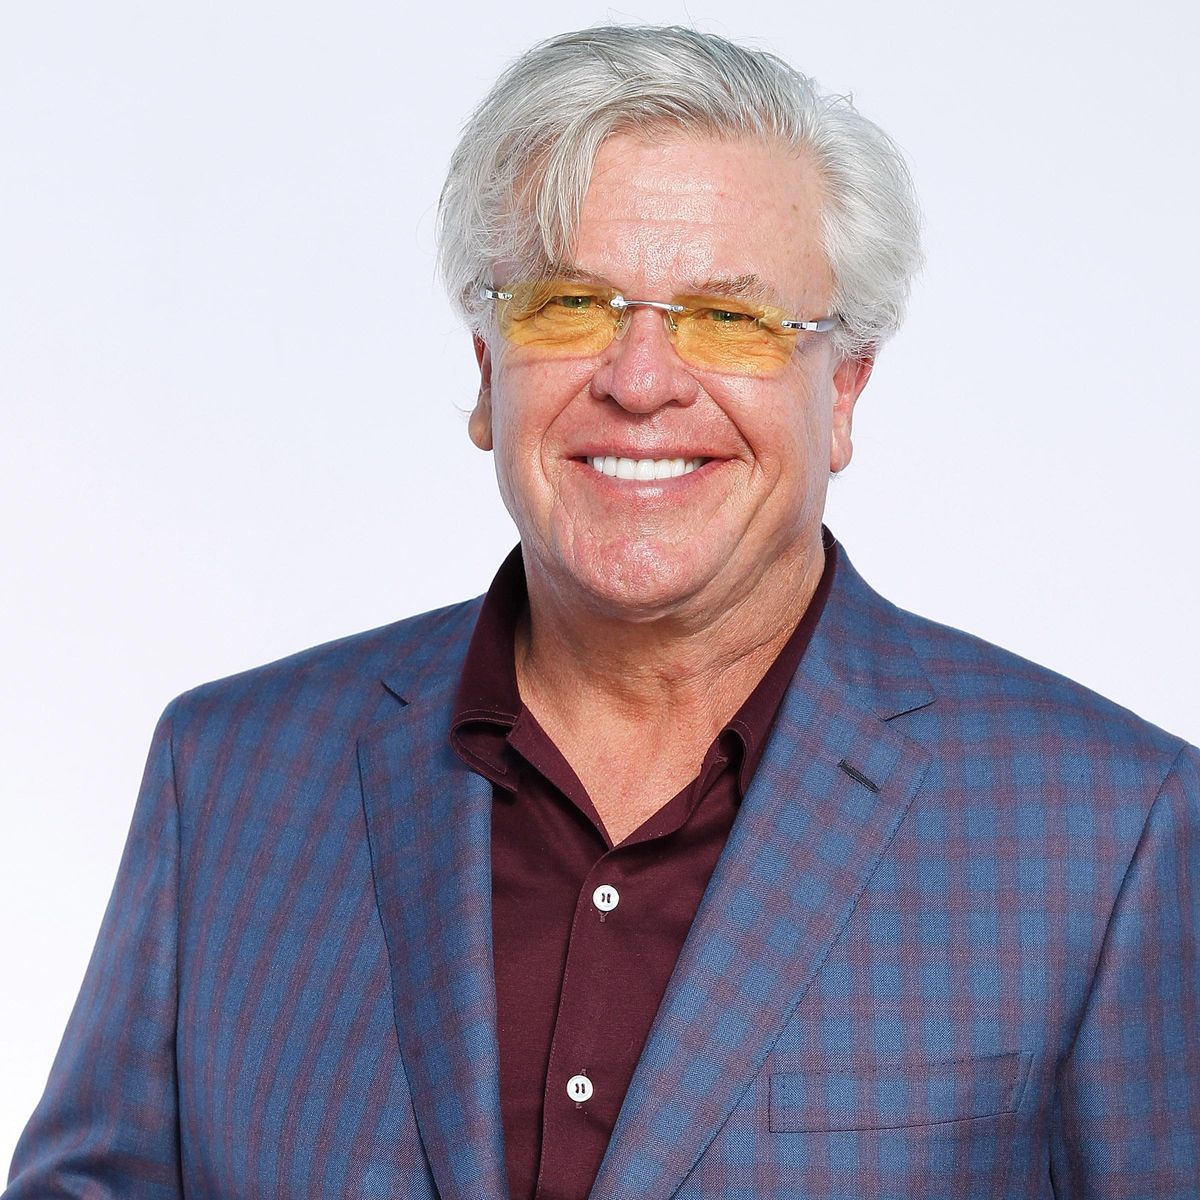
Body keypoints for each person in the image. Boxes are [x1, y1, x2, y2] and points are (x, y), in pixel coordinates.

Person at [5, 23, 1197, 1200]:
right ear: (488, 371)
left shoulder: (1110, 834)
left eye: (730, 319)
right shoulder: (229, 776)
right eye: (569, 305)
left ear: (842, 391)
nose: (639, 381)